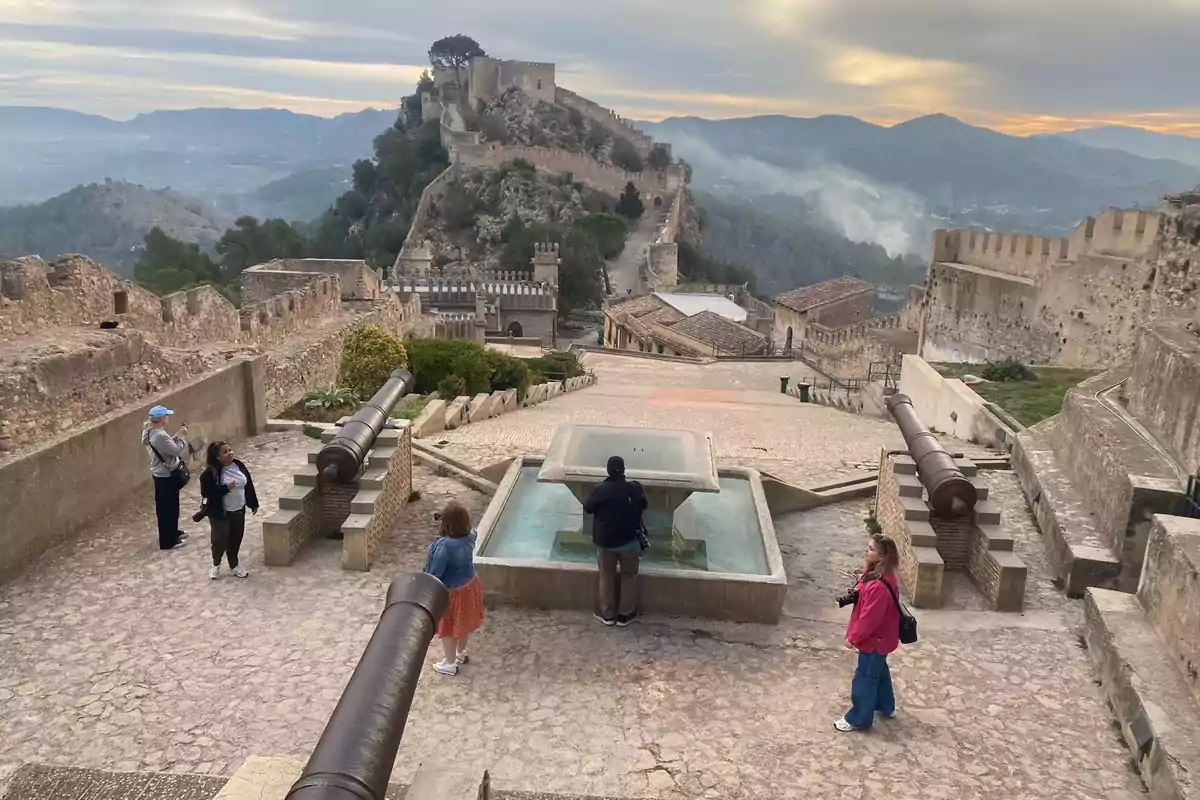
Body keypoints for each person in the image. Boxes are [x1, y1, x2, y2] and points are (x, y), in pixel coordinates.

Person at [835, 533, 902, 732]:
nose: (867, 551)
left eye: (871, 549)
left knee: (865, 678)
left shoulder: (879, 586)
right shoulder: (880, 575)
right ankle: (885, 706)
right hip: (884, 638)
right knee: (879, 672)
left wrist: (853, 637)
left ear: (882, 557)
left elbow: (869, 620)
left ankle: (859, 719)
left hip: (876, 640)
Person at [582, 455, 648, 628]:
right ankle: (625, 615)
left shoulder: (600, 489)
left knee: (606, 575)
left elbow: (588, 508)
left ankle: (608, 614)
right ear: (624, 470)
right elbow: (643, 504)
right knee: (629, 576)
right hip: (629, 542)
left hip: (605, 543)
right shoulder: (633, 489)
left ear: (608, 471)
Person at [423, 501, 485, 676]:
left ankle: (450, 664)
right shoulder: (471, 535)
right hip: (470, 585)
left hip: (452, 592)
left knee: (448, 627)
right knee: (463, 621)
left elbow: (435, 573)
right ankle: (460, 653)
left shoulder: (444, 546)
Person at [199, 441, 260, 580]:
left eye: (230, 450)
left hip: (239, 510)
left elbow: (248, 484)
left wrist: (253, 503)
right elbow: (206, 492)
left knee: (235, 539)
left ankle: (234, 566)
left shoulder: (239, 465)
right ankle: (216, 565)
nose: (230, 453)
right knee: (220, 540)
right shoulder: (211, 472)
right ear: (217, 457)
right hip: (221, 513)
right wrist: (225, 488)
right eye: (225, 452)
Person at [142, 405, 189, 551]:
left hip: (161, 474)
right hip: (166, 476)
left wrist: (175, 436)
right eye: (166, 416)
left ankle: (173, 532)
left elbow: (166, 446)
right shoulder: (159, 435)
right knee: (167, 509)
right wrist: (181, 437)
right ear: (162, 419)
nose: (168, 418)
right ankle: (168, 541)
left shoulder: (150, 432)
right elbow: (175, 450)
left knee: (171, 507)